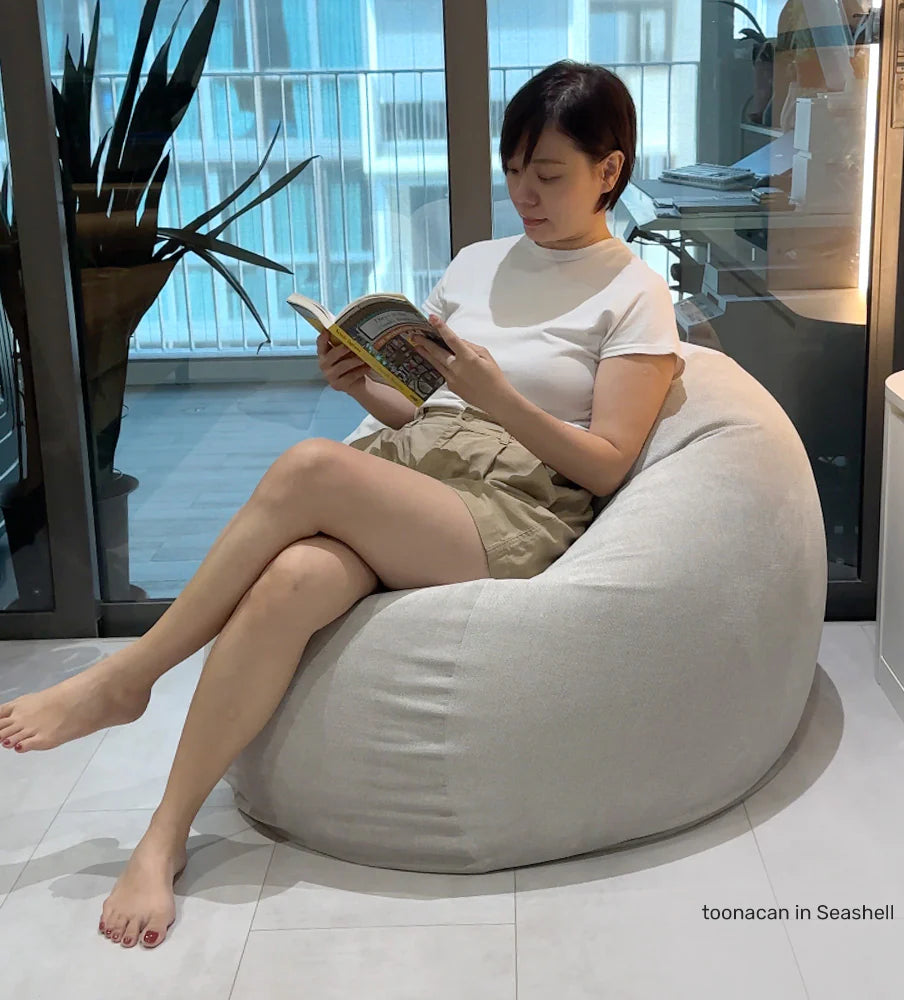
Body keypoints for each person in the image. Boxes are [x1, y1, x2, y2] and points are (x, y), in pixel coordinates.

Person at [0, 60, 685, 950]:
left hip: (519, 511)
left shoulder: (633, 292)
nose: (525, 192)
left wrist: (499, 397)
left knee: (311, 468)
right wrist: (364, 387)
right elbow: (427, 414)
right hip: (424, 473)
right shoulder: (478, 263)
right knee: (290, 578)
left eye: (549, 174)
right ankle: (163, 837)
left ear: (610, 170)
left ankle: (131, 676)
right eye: (513, 169)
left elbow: (603, 466)